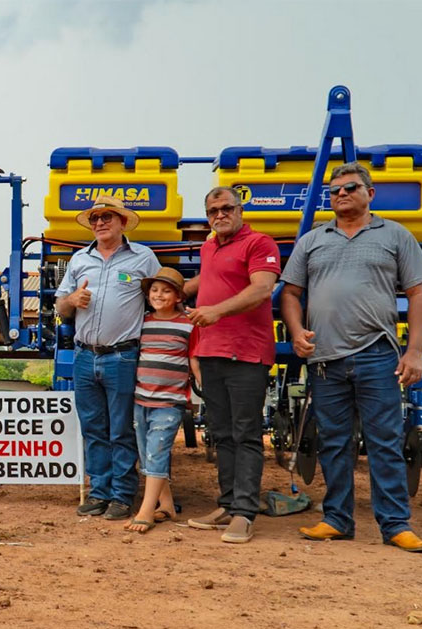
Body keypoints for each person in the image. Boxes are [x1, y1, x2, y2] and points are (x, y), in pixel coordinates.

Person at [280, 162, 422, 553]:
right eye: (334, 191)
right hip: (326, 361)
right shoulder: (313, 240)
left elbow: (418, 295)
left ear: (370, 193)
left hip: (377, 355)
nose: (341, 195)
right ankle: (336, 520)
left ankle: (395, 524)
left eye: (350, 188)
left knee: (384, 441)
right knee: (333, 442)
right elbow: (291, 293)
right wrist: (296, 333)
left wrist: (414, 351)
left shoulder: (395, 236)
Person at [55, 195, 161, 521]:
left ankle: (122, 495)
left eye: (107, 217)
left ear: (123, 222)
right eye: (95, 218)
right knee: (93, 429)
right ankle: (99, 492)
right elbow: (60, 308)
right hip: (85, 356)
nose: (100, 223)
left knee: (121, 430)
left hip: (123, 356)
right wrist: (72, 299)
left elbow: (161, 297)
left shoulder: (143, 258)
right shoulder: (78, 260)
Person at [183, 187, 280, 543]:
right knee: (220, 433)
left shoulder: (260, 243)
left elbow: (262, 289)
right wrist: (172, 287)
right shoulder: (210, 246)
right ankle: (226, 504)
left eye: (226, 208)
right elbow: (209, 281)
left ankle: (244, 512)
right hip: (212, 351)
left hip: (246, 353)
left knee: (246, 433)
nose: (219, 215)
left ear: (240, 210)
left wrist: (216, 311)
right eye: (212, 211)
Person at [125, 268, 199, 533]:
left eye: (166, 290)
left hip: (170, 400)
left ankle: (145, 510)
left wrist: (201, 387)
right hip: (141, 398)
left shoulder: (188, 324)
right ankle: (166, 504)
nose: (159, 295)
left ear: (178, 296)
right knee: (147, 455)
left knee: (157, 452)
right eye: (154, 290)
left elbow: (193, 357)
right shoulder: (143, 321)